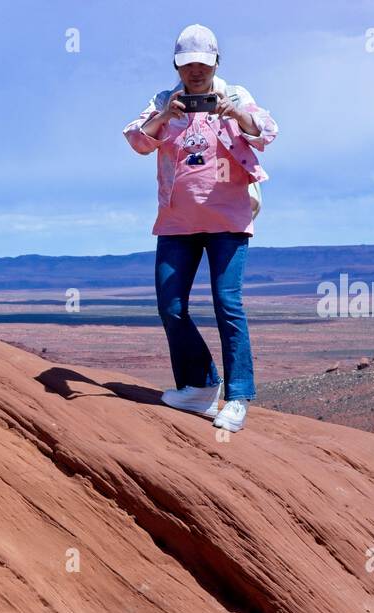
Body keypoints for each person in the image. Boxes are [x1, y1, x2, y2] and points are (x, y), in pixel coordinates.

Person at [123, 24, 278, 432]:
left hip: (228, 221)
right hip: (176, 223)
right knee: (171, 306)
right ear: (177, 65)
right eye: (188, 65)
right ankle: (199, 385)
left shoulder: (236, 94)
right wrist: (164, 116)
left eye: (203, 65)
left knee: (228, 304)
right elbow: (137, 142)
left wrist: (235, 113)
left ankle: (238, 397)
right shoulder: (163, 99)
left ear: (216, 63)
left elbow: (268, 132)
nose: (196, 72)